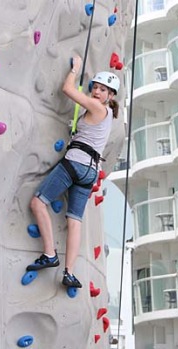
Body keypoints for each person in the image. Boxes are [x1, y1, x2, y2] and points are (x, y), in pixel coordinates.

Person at [26, 55, 121, 288]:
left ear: (110, 96)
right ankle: (69, 272)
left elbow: (67, 89)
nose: (97, 92)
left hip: (76, 163)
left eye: (102, 89)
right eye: (95, 88)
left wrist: (75, 69)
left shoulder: (98, 107)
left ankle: (50, 254)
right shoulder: (108, 115)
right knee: (75, 221)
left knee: (38, 203)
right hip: (90, 172)